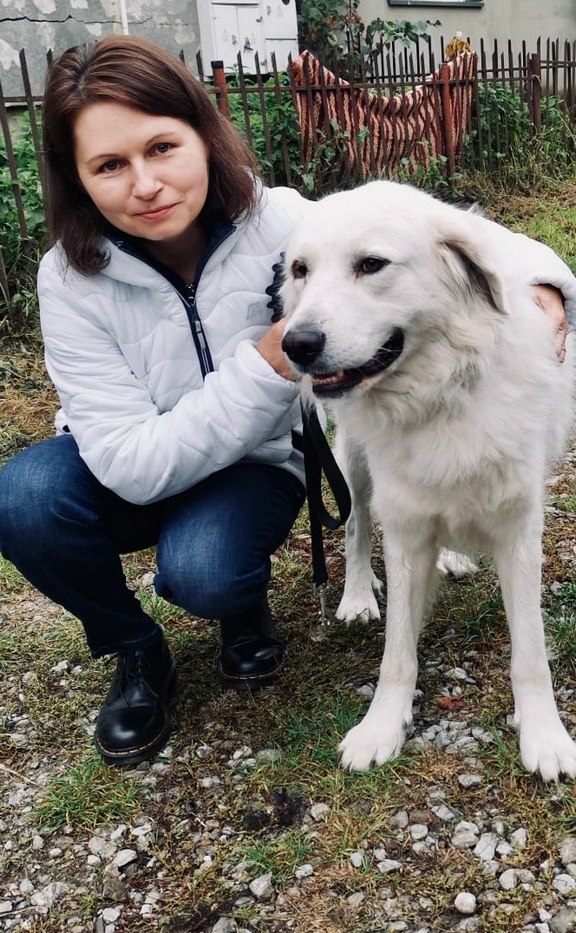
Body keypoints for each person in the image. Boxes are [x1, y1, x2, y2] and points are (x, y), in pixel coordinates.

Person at [0, 35, 573, 768]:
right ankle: (134, 647)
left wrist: (547, 284)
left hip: (253, 464)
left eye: (162, 147)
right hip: (133, 468)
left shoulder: (280, 218)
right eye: (110, 165)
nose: (146, 184)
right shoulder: (68, 279)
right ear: (77, 178)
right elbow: (130, 463)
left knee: (206, 569)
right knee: (24, 497)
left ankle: (236, 600)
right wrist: (267, 363)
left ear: (203, 139)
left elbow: (456, 233)